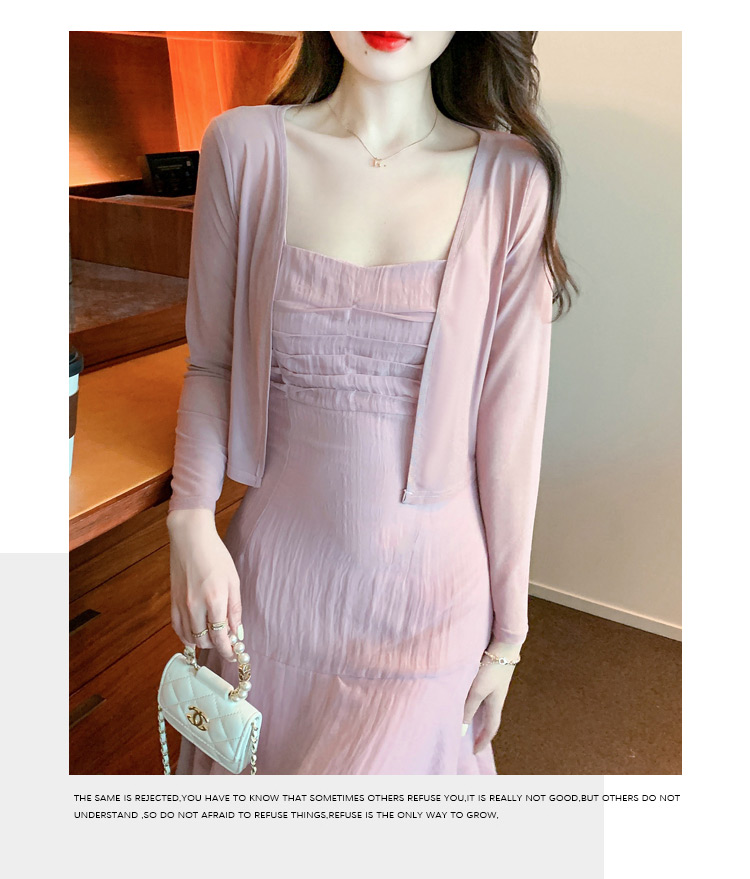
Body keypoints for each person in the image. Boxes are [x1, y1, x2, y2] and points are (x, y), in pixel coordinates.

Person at [166, 31, 577, 775]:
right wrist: (189, 518)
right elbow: (212, 363)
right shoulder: (243, 147)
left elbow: (511, 431)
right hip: (273, 590)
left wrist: (508, 636)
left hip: (431, 598)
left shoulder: (513, 180)